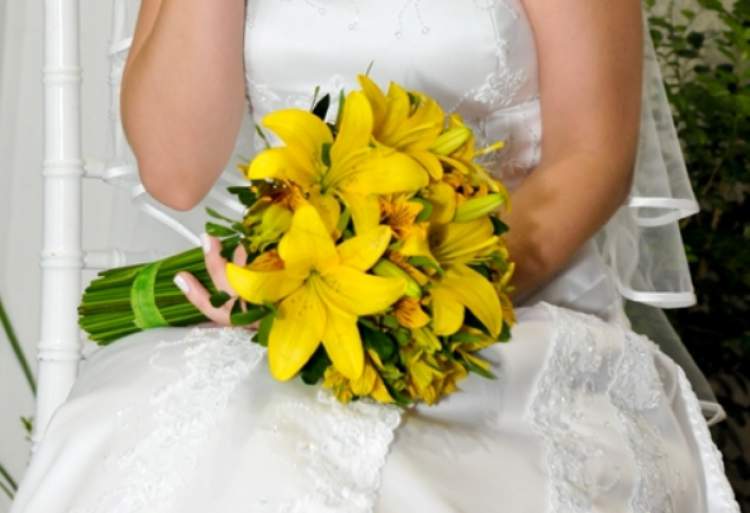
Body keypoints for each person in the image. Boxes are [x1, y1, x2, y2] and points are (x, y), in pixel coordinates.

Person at [10, 0, 741, 512]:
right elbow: (174, 170)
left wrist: (407, 296)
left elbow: (594, 155)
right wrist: (310, 291)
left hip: (506, 304)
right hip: (288, 313)